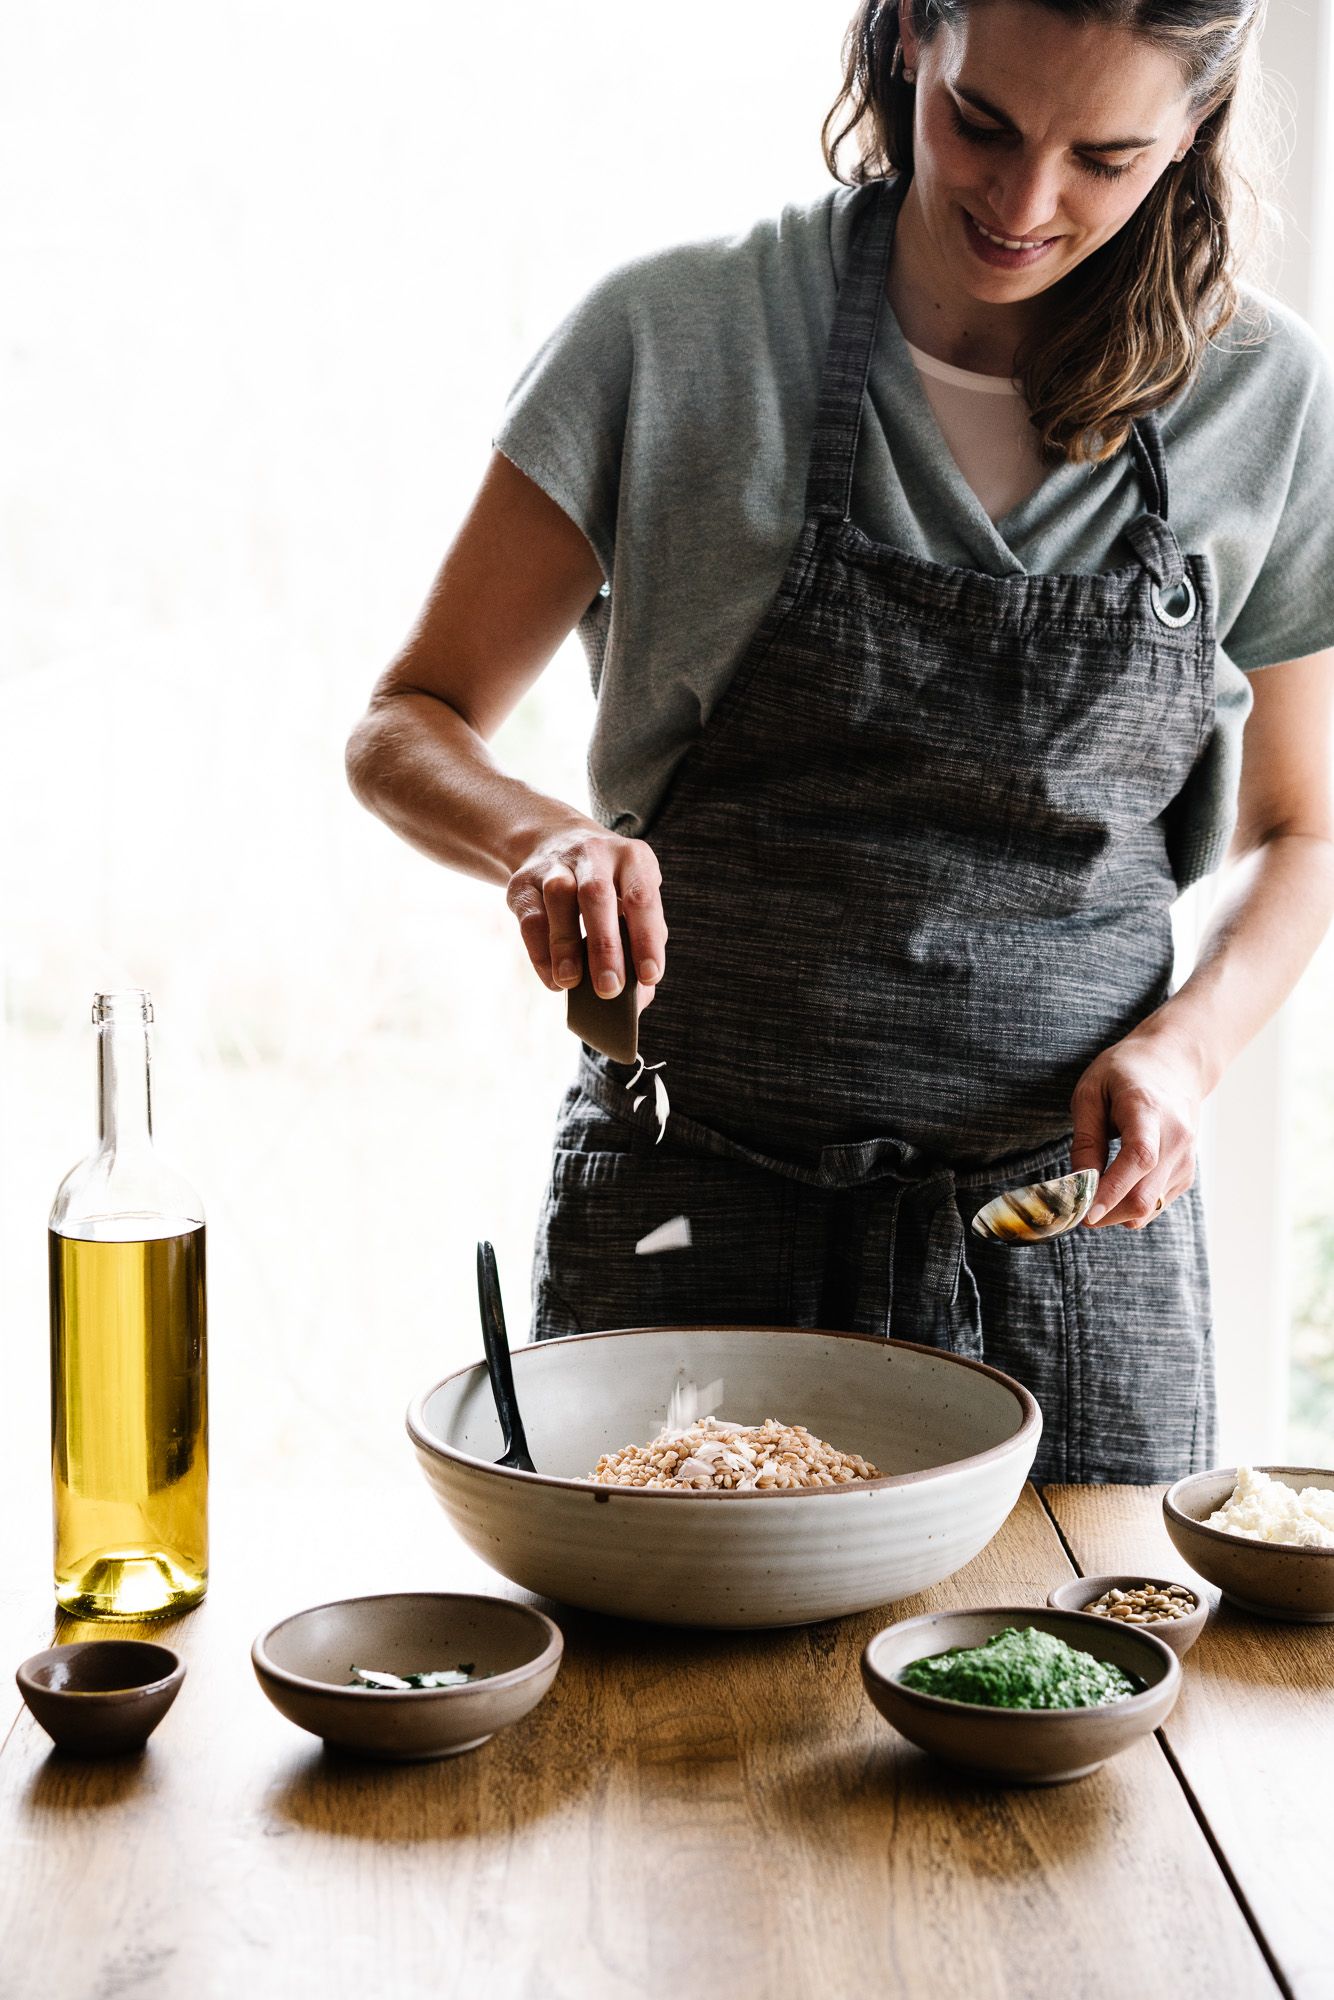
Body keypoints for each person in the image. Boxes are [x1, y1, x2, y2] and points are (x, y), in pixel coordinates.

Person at [346, 0, 1334, 1482]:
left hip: (1067, 1249)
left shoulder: (1264, 397)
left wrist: (1186, 1055)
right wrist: (540, 835)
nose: (1020, 203)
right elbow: (404, 720)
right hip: (692, 1219)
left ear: (1187, 131)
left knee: (1074, 1694)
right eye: (981, 123)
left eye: (1104, 156)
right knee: (674, 1716)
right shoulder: (673, 336)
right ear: (908, 44)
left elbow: (1296, 829)